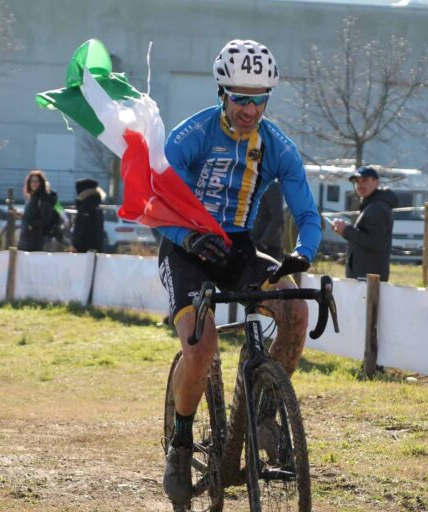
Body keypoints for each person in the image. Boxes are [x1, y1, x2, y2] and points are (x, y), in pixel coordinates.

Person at [158, 39, 321, 505]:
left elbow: (307, 215)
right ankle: (181, 443)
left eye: (259, 99)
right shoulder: (189, 137)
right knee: (201, 347)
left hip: (237, 248)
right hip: (186, 248)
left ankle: (265, 411)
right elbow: (156, 204)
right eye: (240, 99)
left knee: (294, 310)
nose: (250, 110)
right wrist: (188, 237)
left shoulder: (277, 146)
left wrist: (304, 253)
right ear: (222, 94)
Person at [330, 166, 398, 281]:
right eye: (357, 181)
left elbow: (375, 241)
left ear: (377, 183)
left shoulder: (377, 207)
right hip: (365, 275)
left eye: (365, 180)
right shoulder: (371, 205)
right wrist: (345, 229)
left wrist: (346, 230)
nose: (360, 185)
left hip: (369, 277)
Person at [17, 169, 55, 252]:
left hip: (35, 240)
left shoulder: (44, 199)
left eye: (36, 181)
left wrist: (32, 225)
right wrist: (22, 216)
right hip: (25, 239)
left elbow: (45, 220)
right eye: (32, 181)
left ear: (41, 183)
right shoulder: (31, 198)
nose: (33, 184)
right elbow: (31, 216)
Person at [250, 180, 284, 260]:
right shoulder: (252, 184)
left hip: (267, 246)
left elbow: (278, 217)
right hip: (253, 241)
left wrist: (264, 241)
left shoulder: (272, 186)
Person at [71, 178, 105, 253]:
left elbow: (82, 227)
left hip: (84, 247)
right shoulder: (96, 204)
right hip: (95, 247)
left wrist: (75, 244)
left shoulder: (86, 206)